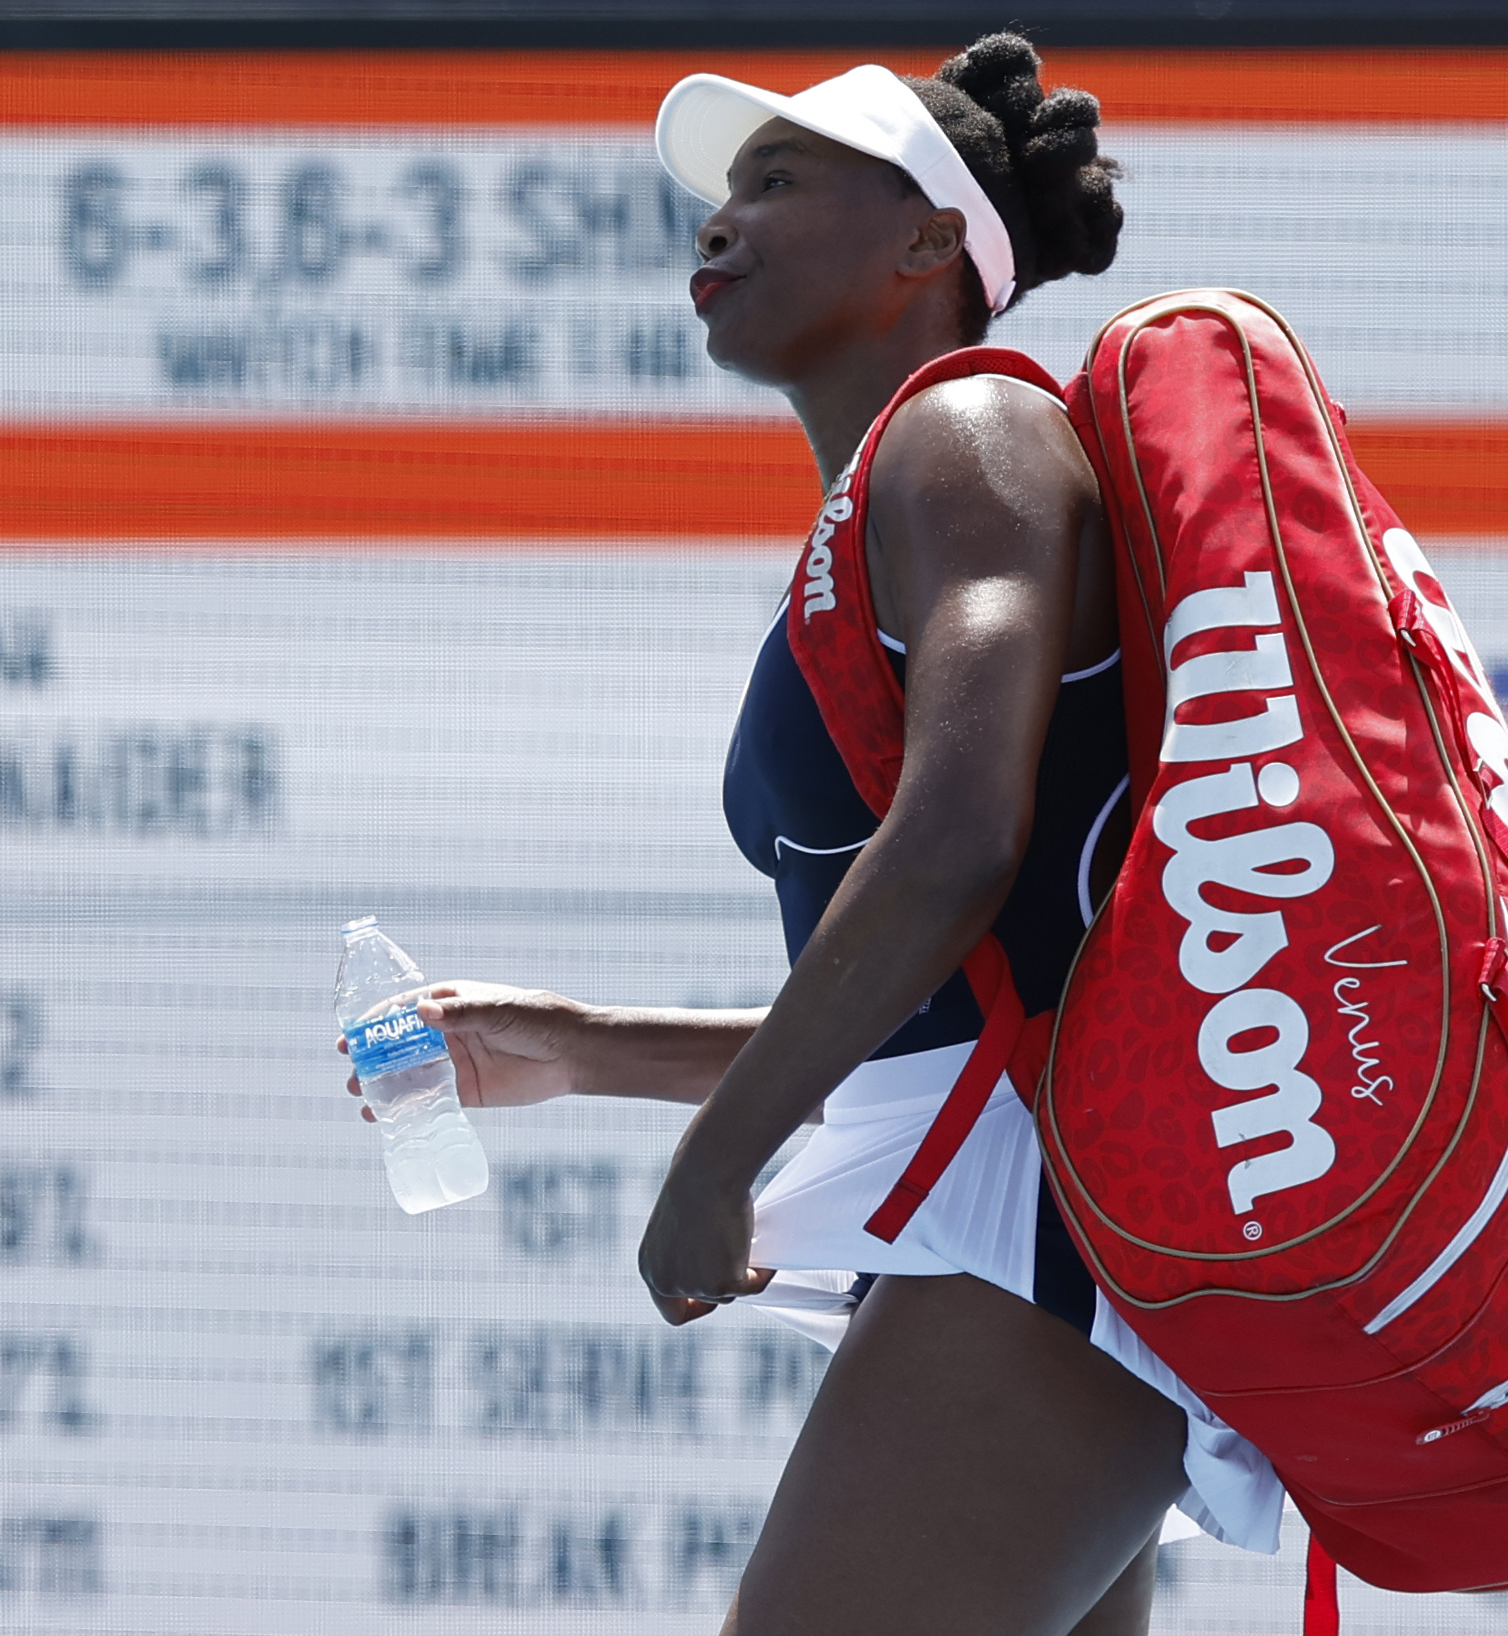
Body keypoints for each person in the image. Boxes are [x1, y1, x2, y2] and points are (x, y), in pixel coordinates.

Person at [344, 36, 1280, 1635]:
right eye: (720, 194)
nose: (719, 219)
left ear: (929, 244)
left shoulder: (964, 434)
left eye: (778, 182)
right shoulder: (908, 484)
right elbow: (956, 998)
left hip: (1036, 1232)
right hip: (1053, 1225)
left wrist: (719, 1162)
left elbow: (956, 847)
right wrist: (575, 1050)